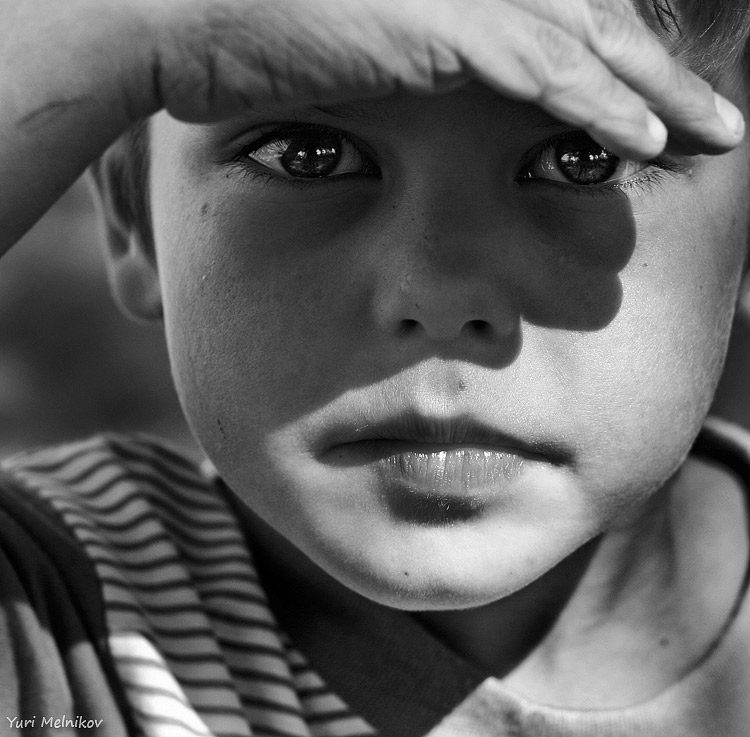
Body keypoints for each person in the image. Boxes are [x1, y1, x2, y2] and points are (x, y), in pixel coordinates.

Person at [1, 0, 750, 734]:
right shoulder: (59, 615)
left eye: (584, 160)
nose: (439, 295)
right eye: (309, 156)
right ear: (133, 215)